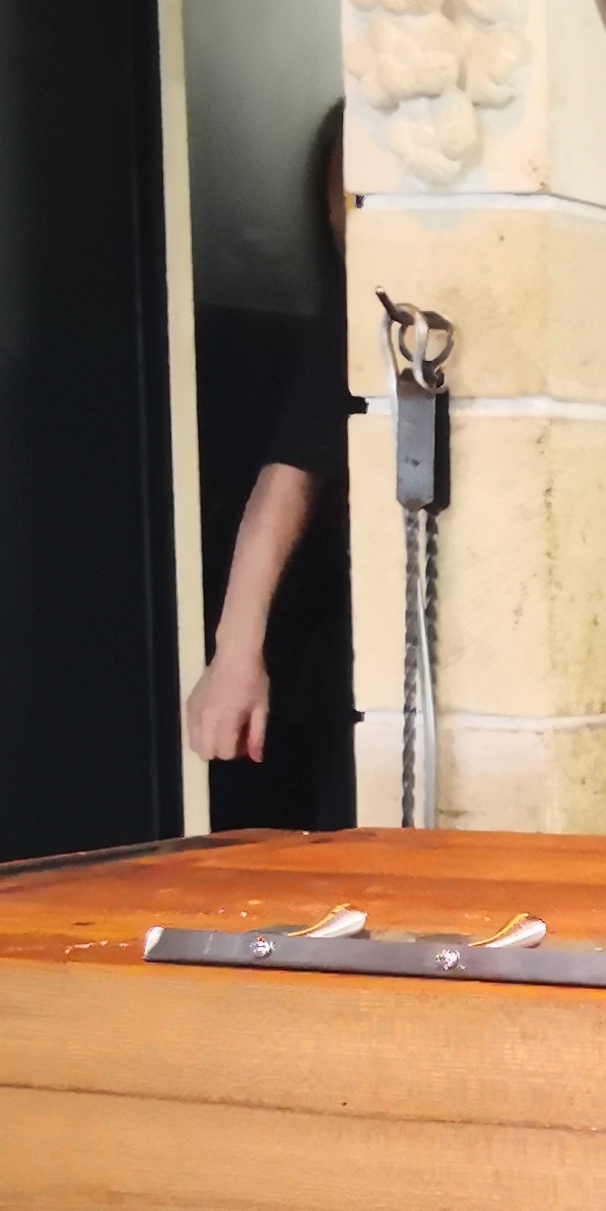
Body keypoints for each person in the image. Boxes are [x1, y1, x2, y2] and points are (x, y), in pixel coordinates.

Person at [185, 113, 352, 808]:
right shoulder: (352, 316)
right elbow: (289, 474)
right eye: (344, 193)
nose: (355, 213)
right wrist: (234, 655)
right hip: (350, 648)